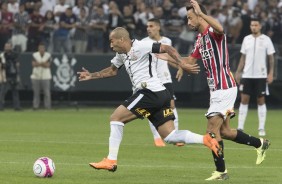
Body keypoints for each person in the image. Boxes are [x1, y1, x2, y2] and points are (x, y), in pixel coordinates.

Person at [77, 27, 220, 172]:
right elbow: (112, 71)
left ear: (122, 39)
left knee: (116, 118)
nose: (110, 45)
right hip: (160, 94)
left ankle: (111, 160)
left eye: (112, 41)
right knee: (170, 136)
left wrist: (181, 64)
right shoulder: (121, 54)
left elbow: (167, 48)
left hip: (149, 92)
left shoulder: (140, 46)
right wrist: (92, 75)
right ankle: (205, 139)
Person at [157, 0, 270, 180]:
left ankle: (221, 171)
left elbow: (220, 28)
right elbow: (189, 62)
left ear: (199, 16)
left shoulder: (213, 32)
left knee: (211, 130)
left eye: (190, 18)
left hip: (224, 87)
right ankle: (260, 143)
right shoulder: (200, 40)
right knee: (224, 132)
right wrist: (163, 56)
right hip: (216, 90)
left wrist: (201, 14)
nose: (188, 22)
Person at [142, 18, 184, 147]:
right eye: (147, 26)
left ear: (158, 27)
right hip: (151, 80)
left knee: (171, 105)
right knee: (152, 108)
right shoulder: (143, 43)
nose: (148, 28)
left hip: (165, 78)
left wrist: (180, 67)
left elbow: (169, 59)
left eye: (151, 26)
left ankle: (175, 136)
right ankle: (157, 138)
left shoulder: (167, 41)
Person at [235, 18, 275, 137]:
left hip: (260, 75)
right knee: (244, 100)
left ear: (260, 26)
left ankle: (261, 128)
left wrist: (271, 73)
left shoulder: (266, 40)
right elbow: (243, 58)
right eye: (252, 25)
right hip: (247, 75)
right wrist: (238, 72)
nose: (254, 27)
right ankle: (240, 127)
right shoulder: (246, 39)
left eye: (256, 25)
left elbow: (271, 58)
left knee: (261, 101)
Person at [31, 43, 52, 110]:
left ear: (44, 48)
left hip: (46, 76)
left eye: (42, 48)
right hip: (36, 76)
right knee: (36, 92)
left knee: (47, 92)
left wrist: (39, 63)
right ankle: (35, 106)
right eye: (40, 48)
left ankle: (47, 106)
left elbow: (48, 65)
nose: (41, 49)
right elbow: (34, 64)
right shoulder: (34, 55)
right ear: (38, 48)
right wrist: (43, 63)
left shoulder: (48, 55)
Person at [0, 42, 21, 111]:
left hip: (13, 75)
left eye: (8, 46)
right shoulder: (2, 55)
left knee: (15, 92)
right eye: (6, 46)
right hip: (5, 75)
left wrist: (17, 75)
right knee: (2, 92)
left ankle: (16, 107)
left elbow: (17, 65)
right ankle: (1, 107)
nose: (7, 48)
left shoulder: (15, 55)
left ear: (11, 47)